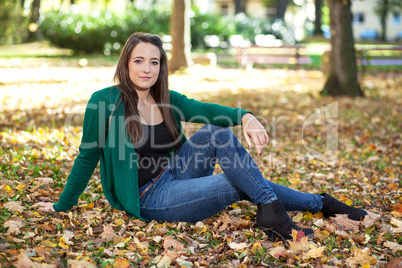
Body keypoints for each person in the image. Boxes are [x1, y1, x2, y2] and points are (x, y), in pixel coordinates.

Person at [34, 32, 367, 241]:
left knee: (216, 133)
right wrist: (62, 206)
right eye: (139, 61)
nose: (147, 69)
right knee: (235, 183)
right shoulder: (103, 102)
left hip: (176, 174)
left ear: (161, 66)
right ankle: (318, 203)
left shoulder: (166, 98)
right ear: (126, 63)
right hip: (151, 199)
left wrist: (245, 116)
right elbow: (87, 156)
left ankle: (280, 210)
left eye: (154, 62)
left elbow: (207, 111)